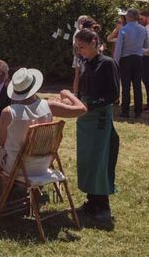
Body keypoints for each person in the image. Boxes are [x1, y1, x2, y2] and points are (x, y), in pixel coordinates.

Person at [50, 28, 120, 224]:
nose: (80, 51)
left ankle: (103, 206)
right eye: (77, 48)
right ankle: (91, 201)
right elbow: (82, 88)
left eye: (82, 47)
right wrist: (74, 102)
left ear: (94, 43)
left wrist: (90, 105)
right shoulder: (86, 63)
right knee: (87, 159)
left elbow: (113, 94)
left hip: (99, 118)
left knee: (99, 160)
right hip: (85, 118)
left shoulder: (107, 64)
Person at [0, 67, 53, 177]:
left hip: (17, 167)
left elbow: (1, 142)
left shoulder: (9, 112)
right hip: (44, 165)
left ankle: (3, 190)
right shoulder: (47, 106)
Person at [113, 8, 148, 118]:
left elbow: (118, 48)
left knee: (126, 85)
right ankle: (138, 111)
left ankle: (125, 111)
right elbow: (146, 45)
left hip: (126, 58)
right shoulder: (143, 29)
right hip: (138, 58)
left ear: (129, 17)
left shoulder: (123, 30)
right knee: (137, 85)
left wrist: (115, 61)